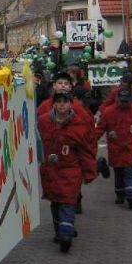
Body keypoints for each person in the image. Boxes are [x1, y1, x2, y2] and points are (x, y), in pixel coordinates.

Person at [37, 92, 96, 252]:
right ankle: (60, 230)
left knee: (68, 201)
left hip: (70, 170)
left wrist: (89, 172)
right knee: (55, 202)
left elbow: (86, 151)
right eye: (58, 102)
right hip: (50, 171)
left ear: (71, 104)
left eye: (65, 102)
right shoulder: (43, 121)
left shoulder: (79, 125)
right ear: (54, 104)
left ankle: (66, 235)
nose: (61, 105)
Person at [95, 86, 132, 209]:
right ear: (117, 98)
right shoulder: (108, 112)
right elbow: (99, 129)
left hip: (131, 150)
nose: (124, 103)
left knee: (130, 173)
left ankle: (131, 196)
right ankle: (120, 194)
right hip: (116, 150)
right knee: (119, 173)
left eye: (126, 101)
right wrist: (91, 141)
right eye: (122, 100)